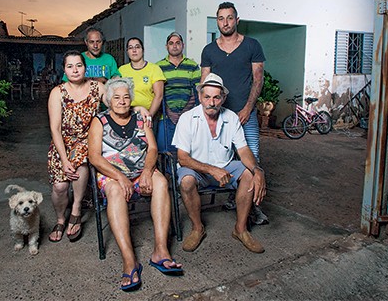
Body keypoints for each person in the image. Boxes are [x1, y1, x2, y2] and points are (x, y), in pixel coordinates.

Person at [88, 77, 183, 292]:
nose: (122, 101)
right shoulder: (99, 121)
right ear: (109, 100)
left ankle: (161, 251)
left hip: (142, 171)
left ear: (131, 99)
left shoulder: (141, 118)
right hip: (111, 174)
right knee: (114, 190)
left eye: (126, 97)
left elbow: (151, 148)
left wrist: (148, 171)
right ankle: (130, 261)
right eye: (117, 98)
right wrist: (120, 177)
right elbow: (94, 157)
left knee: (160, 182)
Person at [172, 73, 266, 253]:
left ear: (223, 98)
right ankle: (197, 228)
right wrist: (211, 170)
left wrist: (257, 169)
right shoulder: (187, 118)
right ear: (200, 97)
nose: (211, 102)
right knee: (186, 181)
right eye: (207, 97)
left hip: (226, 167)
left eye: (216, 97)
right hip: (197, 169)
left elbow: (244, 150)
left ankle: (240, 229)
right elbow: (182, 158)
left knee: (248, 174)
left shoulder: (231, 117)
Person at [200, 1, 269, 225]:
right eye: (221, 18)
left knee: (252, 161)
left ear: (237, 20)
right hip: (218, 117)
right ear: (217, 21)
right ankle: (234, 197)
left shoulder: (252, 45)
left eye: (230, 18)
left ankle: (254, 209)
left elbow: (258, 80)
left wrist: (248, 108)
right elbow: (205, 83)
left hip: (244, 116)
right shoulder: (209, 50)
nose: (226, 22)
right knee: (224, 160)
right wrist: (206, 113)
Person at [47, 50, 107, 243]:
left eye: (79, 65)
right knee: (60, 186)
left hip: (87, 140)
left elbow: (116, 104)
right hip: (62, 143)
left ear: (85, 67)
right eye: (70, 66)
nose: (75, 70)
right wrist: (64, 160)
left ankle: (76, 210)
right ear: (64, 69)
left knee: (80, 162)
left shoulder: (98, 87)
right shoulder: (58, 92)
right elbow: (55, 129)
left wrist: (136, 107)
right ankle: (60, 219)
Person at [156, 32, 201, 152]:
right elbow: (158, 93)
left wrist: (184, 113)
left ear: (183, 45)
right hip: (165, 115)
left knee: (188, 149)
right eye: (171, 43)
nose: (174, 46)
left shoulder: (192, 66)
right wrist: (170, 113)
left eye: (177, 43)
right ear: (166, 46)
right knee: (168, 150)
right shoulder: (158, 67)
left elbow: (197, 91)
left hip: (188, 114)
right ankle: (170, 171)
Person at [119, 37, 166, 118]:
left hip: (149, 113)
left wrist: (149, 116)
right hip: (127, 114)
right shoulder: (122, 70)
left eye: (137, 47)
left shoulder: (154, 69)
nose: (134, 50)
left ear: (143, 50)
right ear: (127, 52)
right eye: (130, 48)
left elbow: (159, 96)